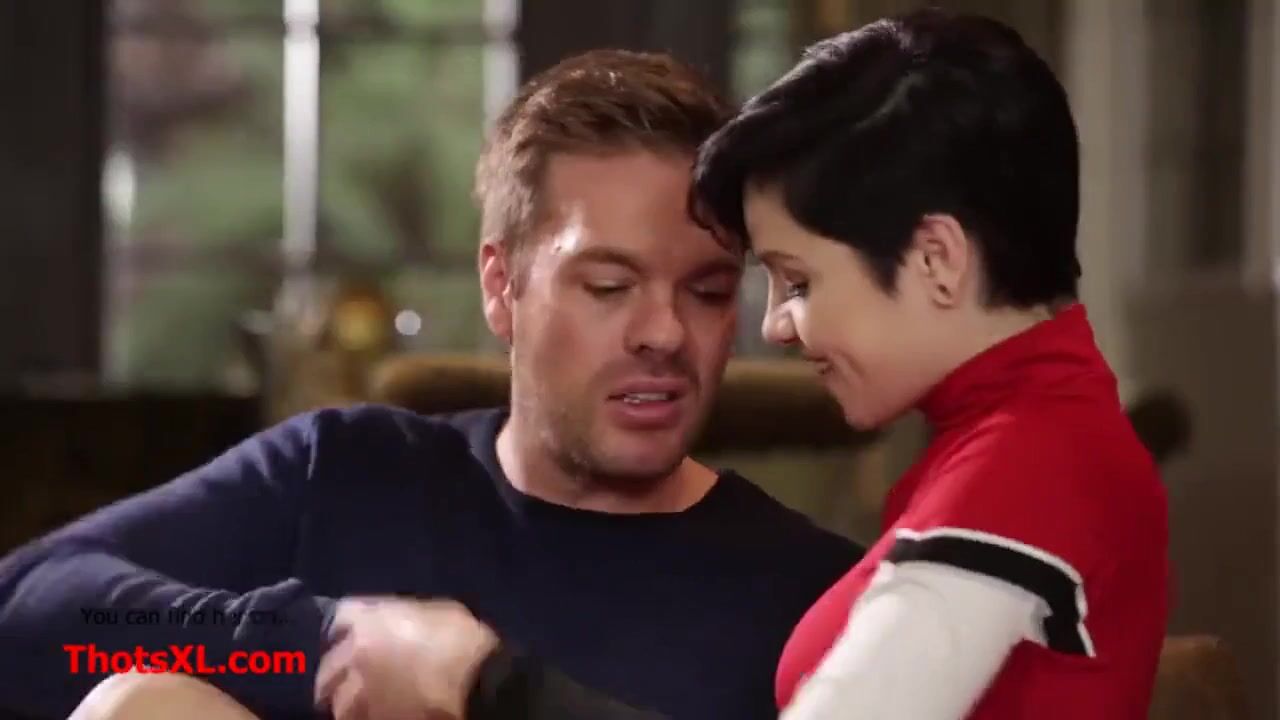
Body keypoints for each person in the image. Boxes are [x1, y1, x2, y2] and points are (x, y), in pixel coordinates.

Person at [0, 49, 860, 720]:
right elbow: (26, 610)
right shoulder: (348, 473)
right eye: (608, 286)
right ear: (501, 288)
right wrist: (322, 642)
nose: (665, 333)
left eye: (707, 292)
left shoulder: (810, 594)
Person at [690, 7, 1169, 719]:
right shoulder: (1031, 440)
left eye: (799, 282)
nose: (775, 326)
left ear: (936, 259)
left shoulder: (1029, 464)